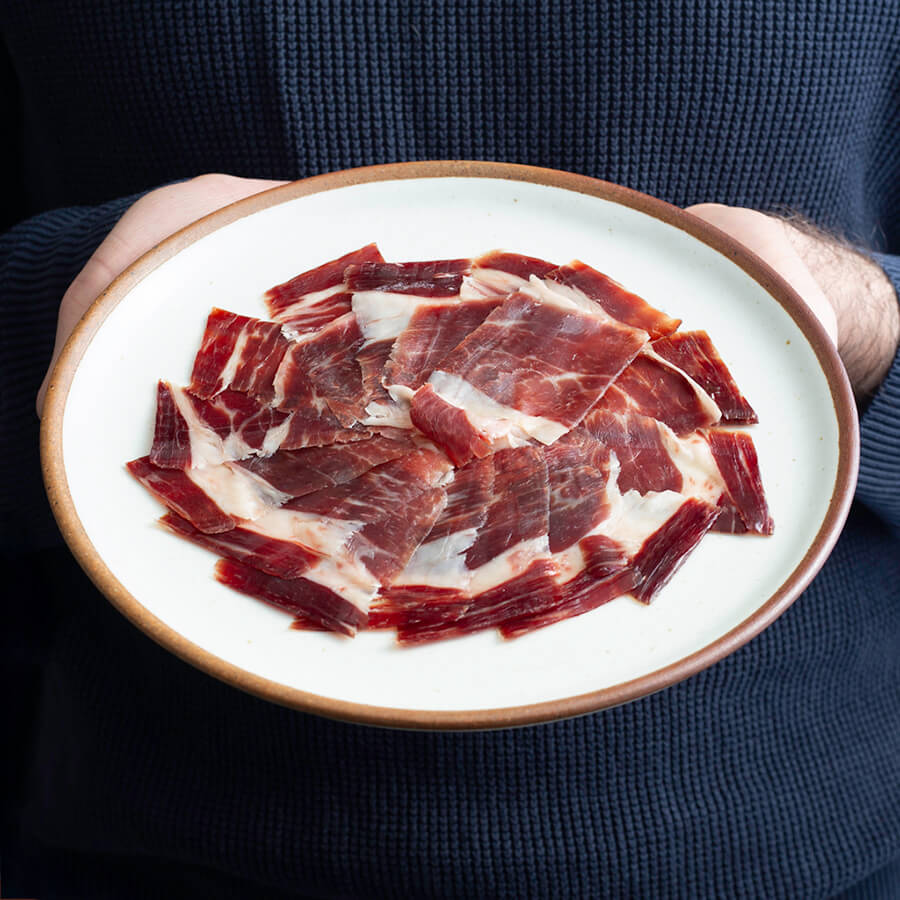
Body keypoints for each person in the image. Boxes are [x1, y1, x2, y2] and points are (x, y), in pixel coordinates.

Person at [2, 3, 898, 897]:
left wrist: (857, 321)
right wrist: (83, 325)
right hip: (165, 827)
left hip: (780, 835)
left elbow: (868, 314)